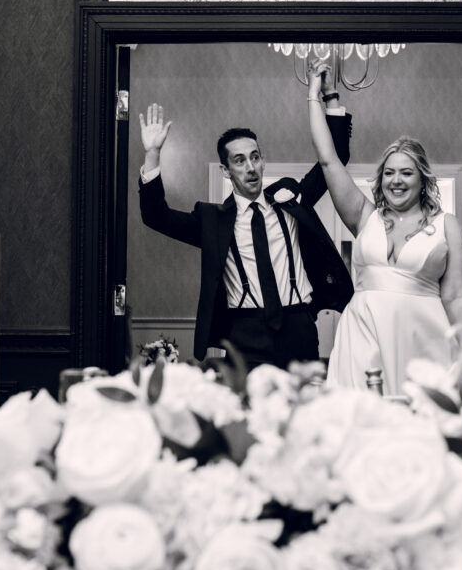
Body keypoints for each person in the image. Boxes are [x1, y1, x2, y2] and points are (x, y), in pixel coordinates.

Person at [306, 62, 462, 395]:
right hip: (362, 337)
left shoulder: (446, 226)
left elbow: (456, 297)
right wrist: (317, 97)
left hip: (424, 342)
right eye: (389, 173)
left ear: (422, 180)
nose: (396, 180)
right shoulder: (364, 216)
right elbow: (328, 160)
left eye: (406, 173)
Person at [137, 89, 354, 370]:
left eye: (255, 157)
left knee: (304, 397)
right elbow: (156, 217)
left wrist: (331, 98)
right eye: (239, 160)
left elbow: (334, 160)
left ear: (263, 161)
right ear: (225, 171)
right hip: (244, 333)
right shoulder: (212, 221)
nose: (251, 167)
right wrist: (152, 154)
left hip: (299, 327)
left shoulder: (290, 200)